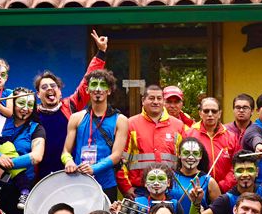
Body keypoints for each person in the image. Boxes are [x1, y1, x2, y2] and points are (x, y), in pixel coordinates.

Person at [30, 30, 110, 182]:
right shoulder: (31, 113)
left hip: (70, 172)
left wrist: (101, 53)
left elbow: (87, 81)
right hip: (39, 175)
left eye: (53, 86)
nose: (49, 89)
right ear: (38, 94)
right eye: (44, 87)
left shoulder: (70, 105)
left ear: (60, 91)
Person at [0, 88, 43, 209]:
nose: (26, 108)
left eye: (30, 105)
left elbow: (36, 157)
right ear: (12, 103)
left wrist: (2, 165)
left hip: (23, 190)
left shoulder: (36, 129)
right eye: (21, 103)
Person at [63, 69, 128, 197]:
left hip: (107, 183)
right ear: (87, 90)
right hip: (79, 180)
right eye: (94, 85)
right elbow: (66, 151)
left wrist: (94, 168)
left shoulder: (120, 120)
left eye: (102, 85)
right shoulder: (76, 118)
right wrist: (68, 162)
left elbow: (116, 155)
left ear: (109, 90)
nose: (98, 89)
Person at [123, 81, 185, 194]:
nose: (156, 102)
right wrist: (126, 187)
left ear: (163, 101)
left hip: (170, 189)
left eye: (159, 98)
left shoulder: (178, 126)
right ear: (143, 101)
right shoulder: (131, 124)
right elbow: (121, 160)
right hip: (140, 189)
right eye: (151, 98)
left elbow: (183, 160)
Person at [185, 96, 239, 194]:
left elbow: (236, 164)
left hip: (225, 190)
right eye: (206, 111)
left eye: (214, 111)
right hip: (197, 189)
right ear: (200, 113)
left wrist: (222, 186)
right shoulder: (189, 134)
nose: (210, 114)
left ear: (219, 113)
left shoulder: (232, 137)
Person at [171, 136, 223, 214]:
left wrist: (204, 213)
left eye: (195, 153)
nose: (191, 157)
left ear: (200, 156)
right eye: (186, 153)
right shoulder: (170, 178)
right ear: (179, 154)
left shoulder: (209, 181)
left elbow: (219, 211)